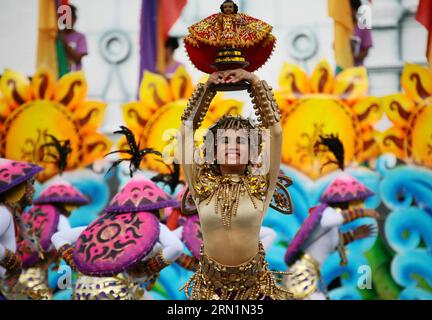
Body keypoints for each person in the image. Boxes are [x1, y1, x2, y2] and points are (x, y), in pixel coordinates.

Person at [179, 68, 291, 300]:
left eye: (241, 141)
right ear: (212, 153)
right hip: (210, 292)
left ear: (252, 153)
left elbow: (275, 132)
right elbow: (185, 133)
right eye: (224, 141)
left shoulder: (261, 186)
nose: (232, 145)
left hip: (255, 292)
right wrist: (206, 88)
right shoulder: (201, 186)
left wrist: (255, 83)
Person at [51, 174, 183, 300]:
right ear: (157, 207)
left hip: (82, 288)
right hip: (117, 289)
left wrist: (78, 265)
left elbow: (58, 237)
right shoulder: (154, 226)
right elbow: (176, 248)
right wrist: (147, 268)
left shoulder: (100, 225)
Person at [283, 135, 379, 300]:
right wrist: (364, 213)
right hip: (303, 274)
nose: (358, 205)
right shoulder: (325, 214)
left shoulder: (331, 228)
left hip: (310, 274)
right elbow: (335, 220)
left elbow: (332, 243)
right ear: (344, 203)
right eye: (355, 202)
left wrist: (354, 235)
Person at [10, 179, 89, 300]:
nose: (71, 211)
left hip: (20, 272)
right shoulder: (60, 218)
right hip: (36, 275)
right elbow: (68, 243)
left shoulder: (32, 214)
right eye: (71, 206)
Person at [0, 158, 43, 298]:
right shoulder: (4, 213)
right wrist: (11, 261)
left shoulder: (10, 212)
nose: (33, 190)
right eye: (31, 184)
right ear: (18, 188)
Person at [59, 4, 88, 71]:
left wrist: (64, 42)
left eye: (70, 18)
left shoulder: (80, 37)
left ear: (75, 19)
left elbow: (77, 59)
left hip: (74, 77)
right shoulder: (56, 36)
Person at [350, 0, 373, 66]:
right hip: (342, 69)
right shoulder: (342, 28)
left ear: (355, 10)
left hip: (357, 68)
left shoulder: (363, 27)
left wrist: (353, 57)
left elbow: (366, 52)